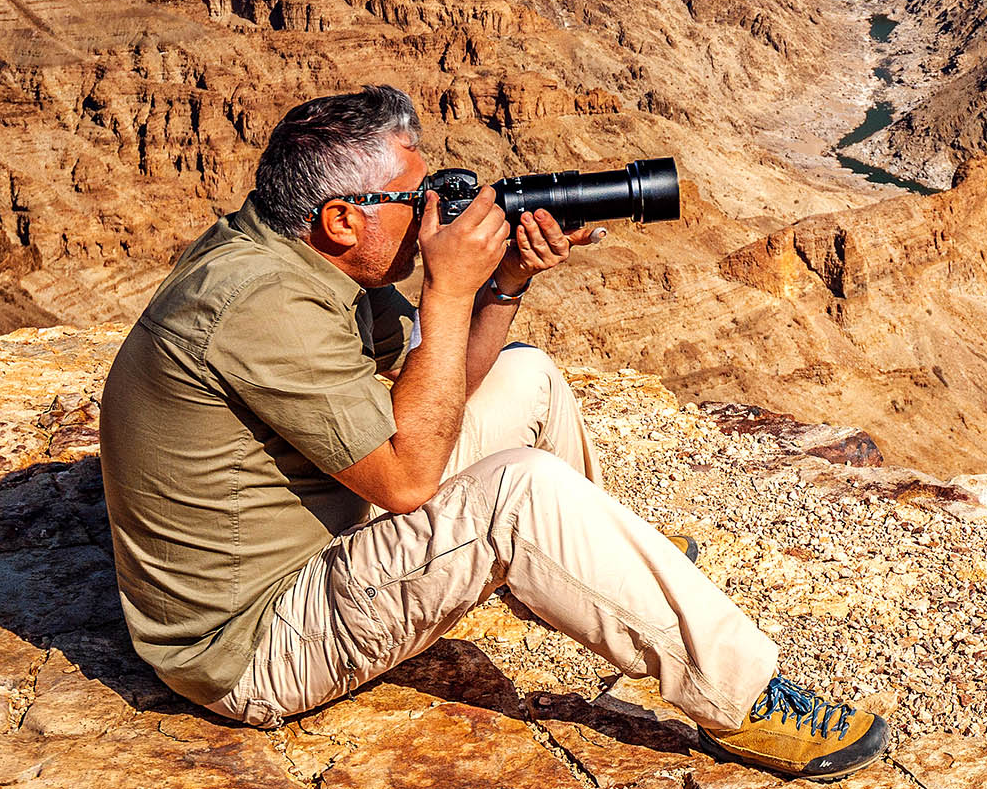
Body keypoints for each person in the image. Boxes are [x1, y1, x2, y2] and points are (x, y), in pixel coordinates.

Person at [98, 85, 888, 781]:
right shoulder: (264, 304)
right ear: (341, 218)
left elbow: (437, 387)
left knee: (525, 374)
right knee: (519, 493)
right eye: (415, 199)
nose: (435, 214)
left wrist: (503, 285)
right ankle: (741, 698)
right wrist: (448, 292)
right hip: (255, 644)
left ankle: (595, 570)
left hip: (321, 530)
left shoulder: (304, 255)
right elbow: (408, 479)